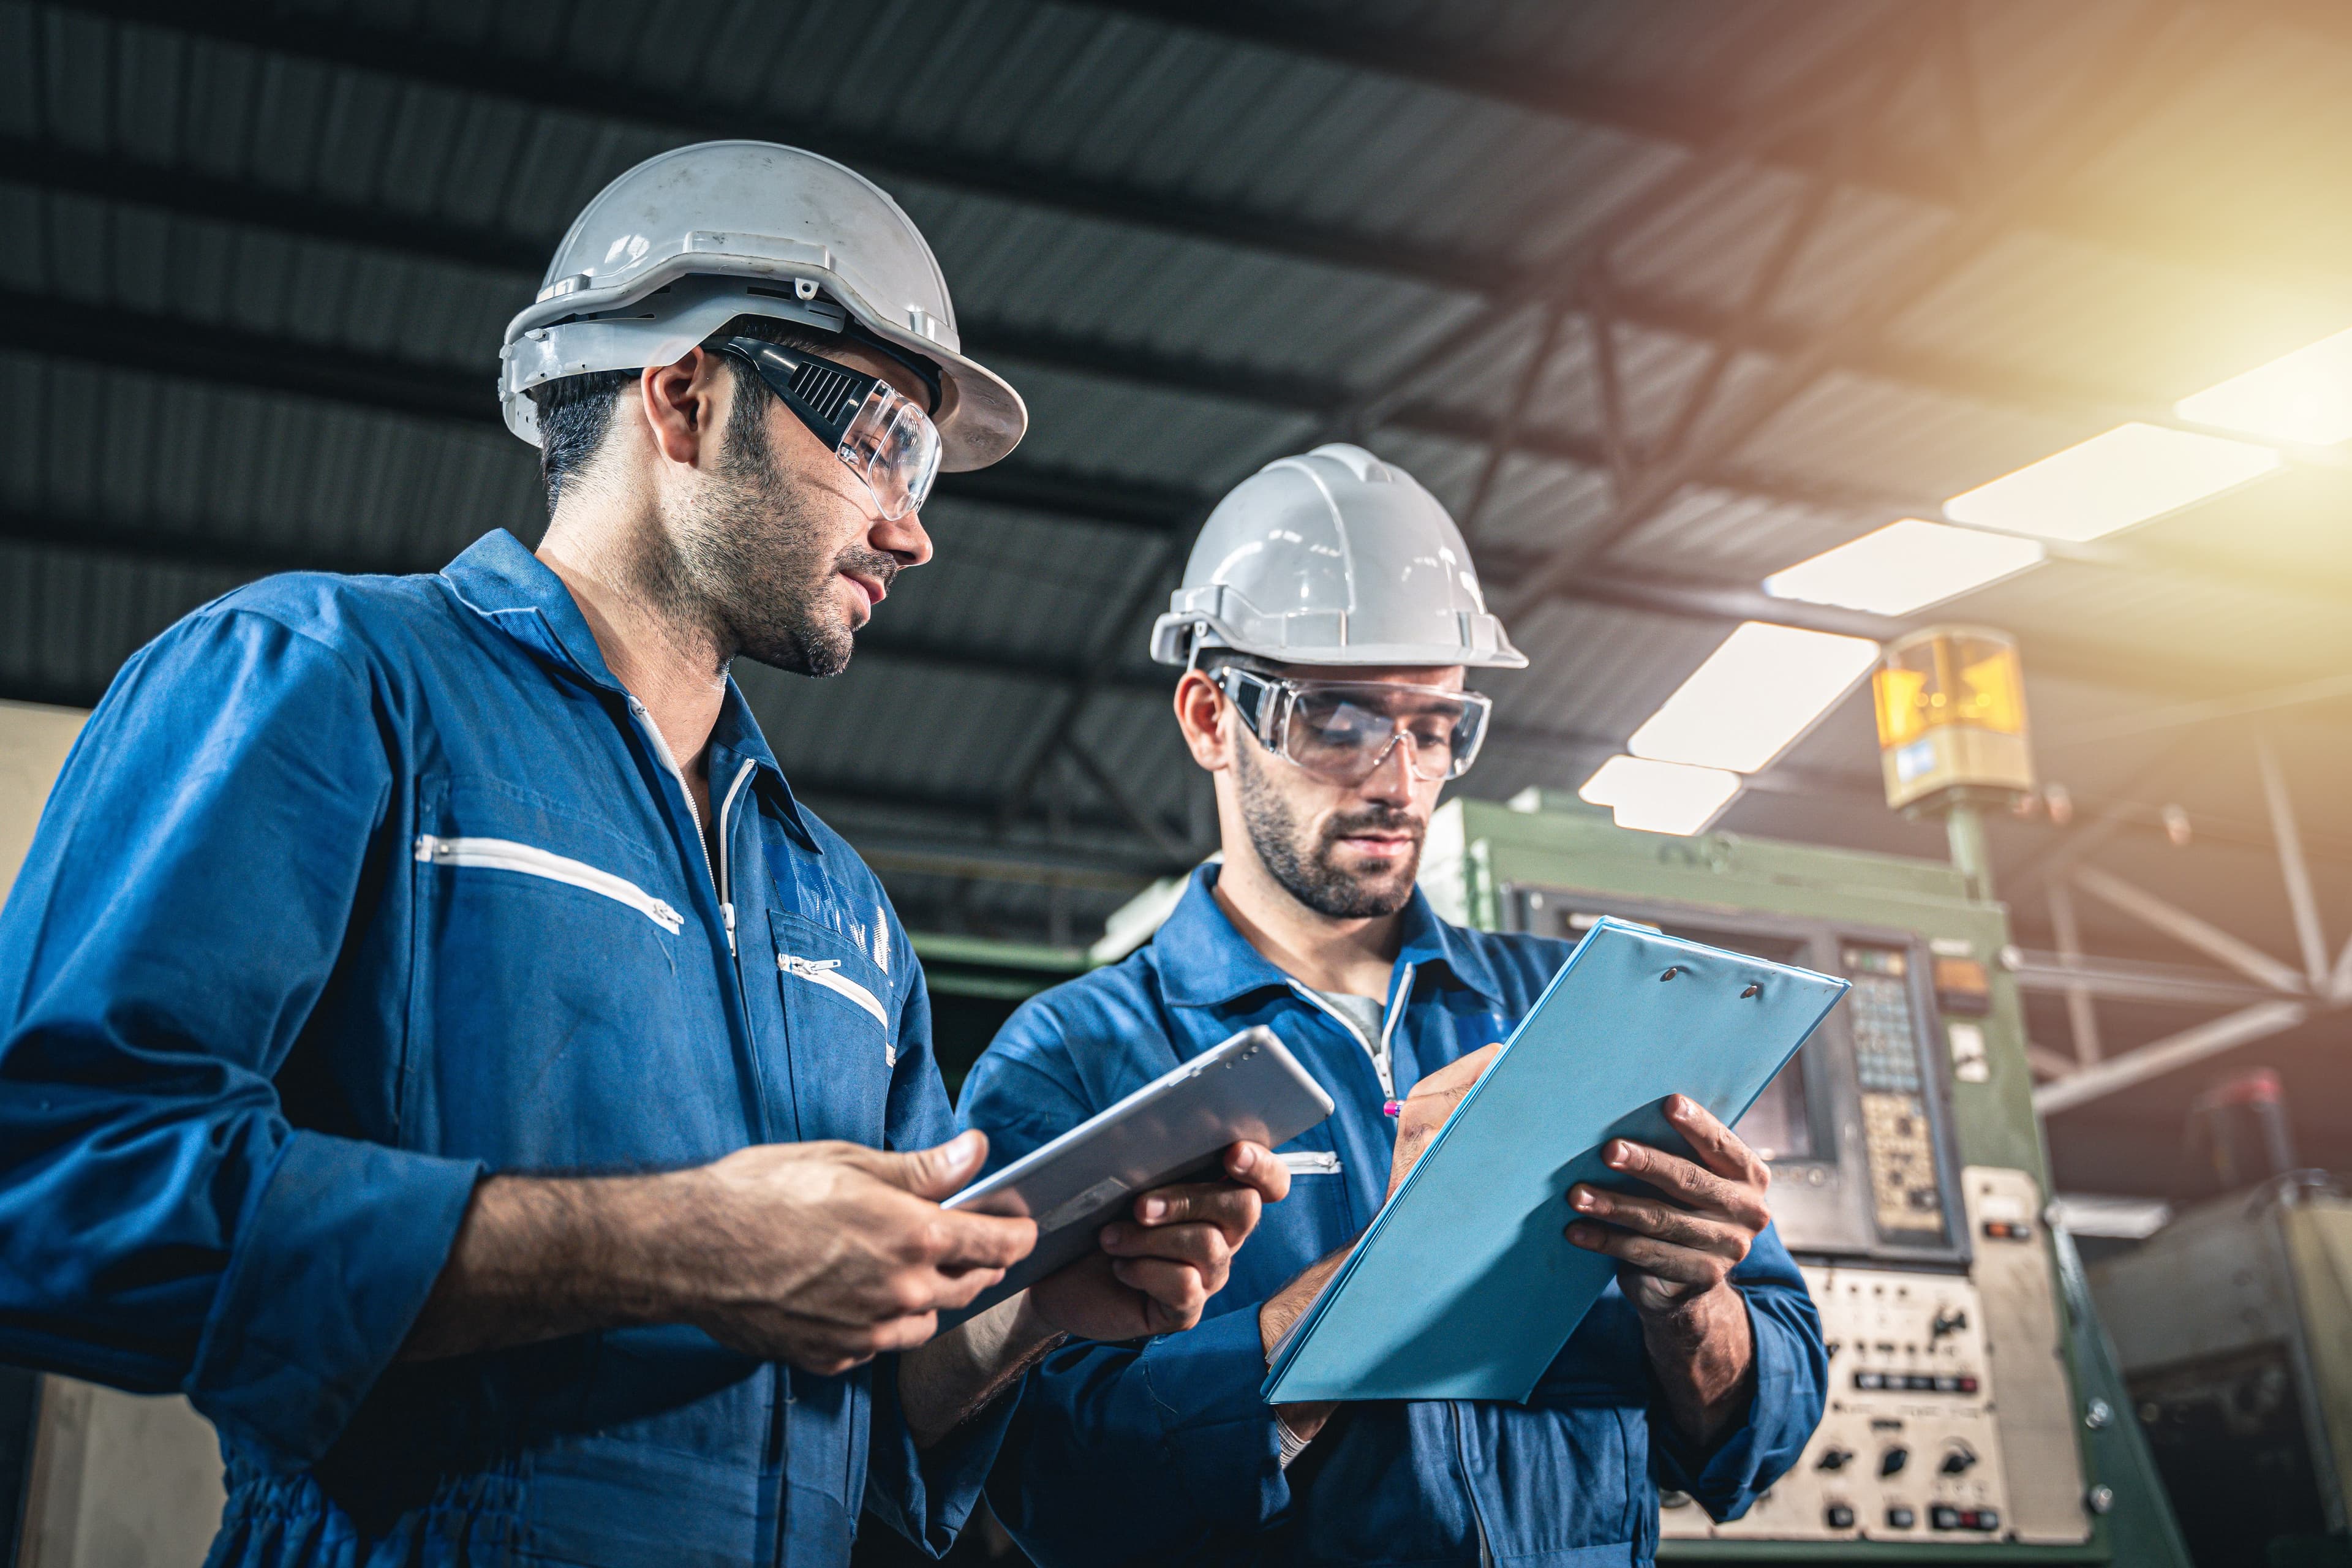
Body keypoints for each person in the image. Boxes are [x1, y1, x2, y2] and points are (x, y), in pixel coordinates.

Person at [0, 141, 1286, 1566]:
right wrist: (678, 1242)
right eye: (881, 441)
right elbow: (60, 1184)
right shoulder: (326, 683)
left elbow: (862, 1409)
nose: (914, 531)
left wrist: (1027, 1306)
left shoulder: (842, 912)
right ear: (686, 394)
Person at [957, 443, 1829, 1566]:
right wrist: (1389, 1281)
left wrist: (1691, 1309)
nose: (1400, 781)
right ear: (1211, 718)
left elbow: (1767, 1432)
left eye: (1433, 726)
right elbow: (1040, 1480)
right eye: (1340, 720)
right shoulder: (1078, 1057)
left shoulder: (1565, 1012)